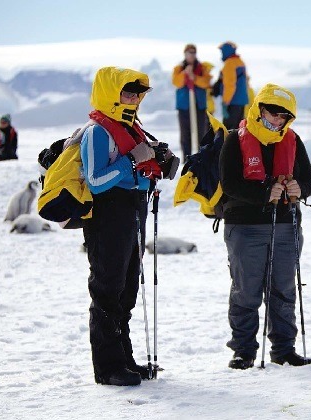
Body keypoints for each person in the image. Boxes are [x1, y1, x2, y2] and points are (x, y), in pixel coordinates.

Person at [81, 66, 174, 386]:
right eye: (127, 93)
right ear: (110, 93)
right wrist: (133, 161)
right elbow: (95, 179)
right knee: (107, 288)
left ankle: (125, 358)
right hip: (107, 216)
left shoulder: (133, 127)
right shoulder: (97, 131)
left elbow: (133, 169)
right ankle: (107, 367)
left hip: (134, 210)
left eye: (138, 94)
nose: (134, 99)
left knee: (127, 289)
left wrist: (152, 167)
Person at [219, 83, 311, 369]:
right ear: (260, 109)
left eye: (285, 116)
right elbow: (229, 184)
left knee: (284, 289)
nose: (278, 120)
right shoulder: (234, 140)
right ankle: (243, 350)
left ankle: (284, 349)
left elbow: (308, 180)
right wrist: (264, 192)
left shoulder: (293, 141)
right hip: (245, 227)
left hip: (286, 224)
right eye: (274, 112)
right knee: (246, 290)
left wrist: (301, 188)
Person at [172, 43, 212, 159]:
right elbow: (176, 82)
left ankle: (201, 156)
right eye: (189, 52)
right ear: (185, 54)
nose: (191, 55)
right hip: (184, 105)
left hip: (199, 105)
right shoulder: (178, 69)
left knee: (201, 132)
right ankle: (187, 157)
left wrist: (194, 77)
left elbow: (206, 82)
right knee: (185, 134)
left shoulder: (202, 68)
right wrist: (185, 73)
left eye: (193, 52)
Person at [217, 41, 249, 130]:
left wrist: (225, 101)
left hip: (232, 101)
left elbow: (229, 84)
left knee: (229, 131)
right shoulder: (240, 62)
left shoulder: (229, 64)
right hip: (241, 101)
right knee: (239, 129)